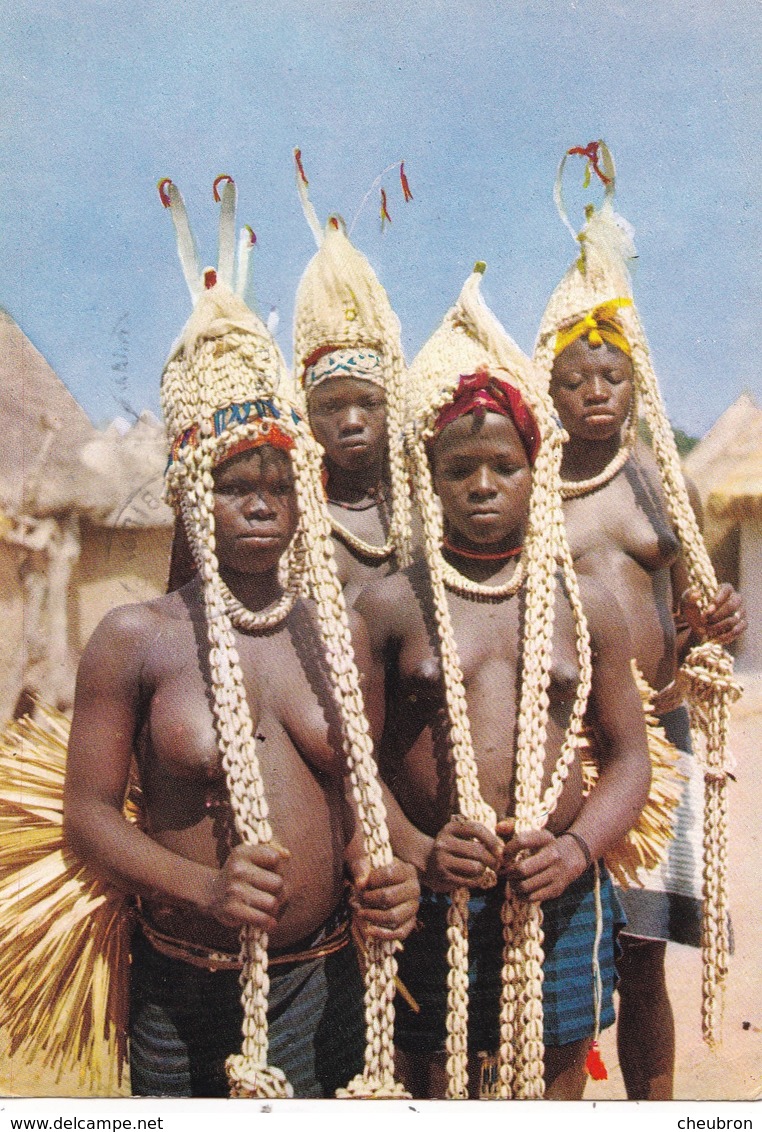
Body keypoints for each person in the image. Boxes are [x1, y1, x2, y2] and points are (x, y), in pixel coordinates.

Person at [63, 178, 419, 1099]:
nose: (261, 502)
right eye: (232, 482)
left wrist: (389, 873)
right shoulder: (137, 638)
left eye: (278, 482)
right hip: (183, 992)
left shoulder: (333, 635)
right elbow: (89, 817)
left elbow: (358, 795)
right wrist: (205, 892)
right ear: (191, 492)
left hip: (326, 983)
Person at [355, 264, 651, 1100]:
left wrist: (576, 848)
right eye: (459, 470)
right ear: (431, 478)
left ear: (535, 469)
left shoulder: (583, 602)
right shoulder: (390, 605)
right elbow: (355, 759)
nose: (482, 486)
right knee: (431, 1079)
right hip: (429, 898)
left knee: (558, 1079)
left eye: (503, 466)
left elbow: (630, 758)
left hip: (557, 892)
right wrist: (416, 851)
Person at [533, 142, 747, 1099]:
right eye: (576, 380)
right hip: (571, 744)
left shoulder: (661, 485)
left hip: (657, 739)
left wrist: (713, 624)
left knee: (647, 949)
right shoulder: (534, 494)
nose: (593, 392)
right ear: (550, 388)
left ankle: (653, 1109)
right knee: (575, 966)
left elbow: (688, 613)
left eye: (611, 377)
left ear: (635, 386)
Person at [291, 153, 414, 605]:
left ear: (394, 401)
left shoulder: (427, 512)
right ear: (305, 412)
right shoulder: (293, 525)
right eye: (329, 408)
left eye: (368, 402)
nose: (352, 422)